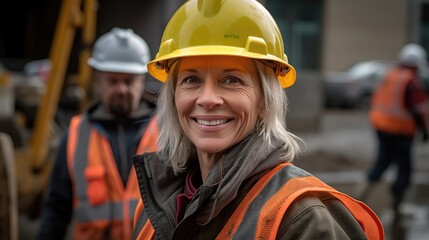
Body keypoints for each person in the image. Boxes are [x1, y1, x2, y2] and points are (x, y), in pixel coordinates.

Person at [131, 0, 384, 239]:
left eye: (231, 80)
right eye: (191, 80)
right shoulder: (154, 205)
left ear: (264, 101)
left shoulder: (301, 219)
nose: (207, 99)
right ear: (174, 97)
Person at [37, 28, 159, 240]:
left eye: (129, 81)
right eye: (113, 81)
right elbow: (56, 209)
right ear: (98, 82)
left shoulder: (167, 131)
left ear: (142, 81)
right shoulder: (77, 133)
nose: (121, 89)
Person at [362, 43, 429, 216]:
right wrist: (424, 130)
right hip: (400, 131)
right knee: (404, 169)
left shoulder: (390, 74)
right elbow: (416, 108)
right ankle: (396, 206)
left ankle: (360, 196)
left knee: (382, 162)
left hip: (381, 126)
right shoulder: (410, 80)